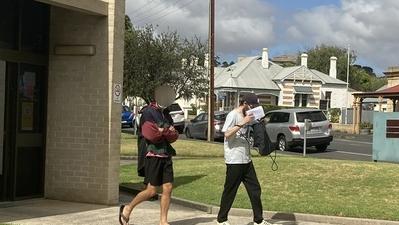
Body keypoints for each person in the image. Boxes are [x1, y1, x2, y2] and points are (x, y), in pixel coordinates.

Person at [119, 85, 179, 225]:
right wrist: (166, 131)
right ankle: (128, 208)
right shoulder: (148, 113)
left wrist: (162, 130)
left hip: (166, 155)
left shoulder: (166, 114)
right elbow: (150, 135)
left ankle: (163, 221)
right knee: (151, 191)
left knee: (168, 188)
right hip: (153, 156)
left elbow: (174, 136)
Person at [216, 93, 273, 225]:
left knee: (255, 190)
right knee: (230, 191)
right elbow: (226, 134)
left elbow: (257, 126)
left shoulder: (249, 115)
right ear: (245, 103)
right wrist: (242, 123)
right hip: (234, 160)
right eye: (251, 105)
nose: (252, 108)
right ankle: (222, 219)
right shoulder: (233, 115)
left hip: (246, 160)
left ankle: (258, 220)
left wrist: (261, 121)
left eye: (255, 106)